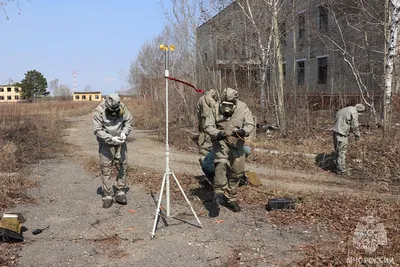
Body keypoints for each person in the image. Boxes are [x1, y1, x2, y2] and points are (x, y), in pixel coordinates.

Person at [204, 87, 255, 216]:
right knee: (221, 162)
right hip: (221, 141)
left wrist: (244, 131)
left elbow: (250, 124)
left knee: (237, 171)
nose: (227, 108)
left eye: (230, 105)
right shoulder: (215, 108)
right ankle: (218, 193)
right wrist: (217, 133)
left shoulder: (243, 107)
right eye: (224, 105)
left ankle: (231, 198)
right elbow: (208, 125)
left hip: (237, 143)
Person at [93, 94, 133, 208]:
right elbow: (97, 130)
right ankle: (108, 195)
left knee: (122, 166)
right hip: (106, 144)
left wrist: (124, 133)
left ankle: (120, 192)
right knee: (106, 169)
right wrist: (110, 138)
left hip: (120, 142)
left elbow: (129, 121)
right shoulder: (99, 111)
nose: (115, 111)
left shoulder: (122, 108)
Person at [332, 103, 365, 175]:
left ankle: (337, 167)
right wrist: (357, 135)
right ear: (360, 111)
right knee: (342, 152)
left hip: (335, 132)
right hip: (342, 133)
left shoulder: (343, 109)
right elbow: (355, 126)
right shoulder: (354, 112)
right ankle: (341, 171)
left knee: (337, 151)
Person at [197, 89, 218, 166]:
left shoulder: (201, 98)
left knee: (201, 131)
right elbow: (215, 106)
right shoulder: (209, 98)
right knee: (208, 131)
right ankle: (206, 147)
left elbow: (198, 108)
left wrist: (199, 116)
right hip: (208, 116)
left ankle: (200, 145)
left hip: (202, 116)